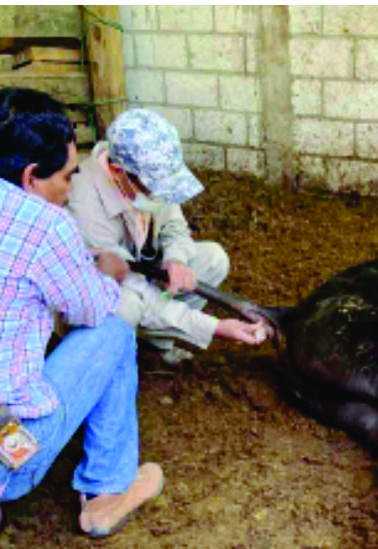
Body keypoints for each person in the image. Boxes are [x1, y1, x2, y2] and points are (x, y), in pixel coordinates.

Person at [0, 87, 162, 543]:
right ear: (32, 177)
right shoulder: (47, 226)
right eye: (68, 177)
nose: (71, 188)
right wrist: (105, 272)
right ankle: (107, 489)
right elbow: (94, 309)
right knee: (115, 331)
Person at [66, 108, 266, 365]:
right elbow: (133, 289)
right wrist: (213, 327)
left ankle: (156, 344)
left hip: (141, 272)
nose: (161, 195)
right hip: (110, 289)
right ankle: (110, 360)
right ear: (118, 171)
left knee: (212, 258)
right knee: (127, 305)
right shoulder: (83, 203)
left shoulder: (146, 176)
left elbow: (175, 228)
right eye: (155, 187)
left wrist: (176, 259)